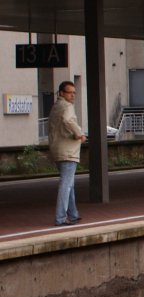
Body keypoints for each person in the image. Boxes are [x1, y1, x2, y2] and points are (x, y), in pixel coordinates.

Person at [47, 80, 87, 225]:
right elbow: (68, 120)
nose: (72, 95)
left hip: (57, 149)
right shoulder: (67, 106)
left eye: (74, 92)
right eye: (69, 92)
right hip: (68, 151)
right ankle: (60, 217)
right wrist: (79, 134)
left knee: (69, 184)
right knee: (66, 184)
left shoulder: (55, 107)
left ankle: (73, 214)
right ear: (61, 93)